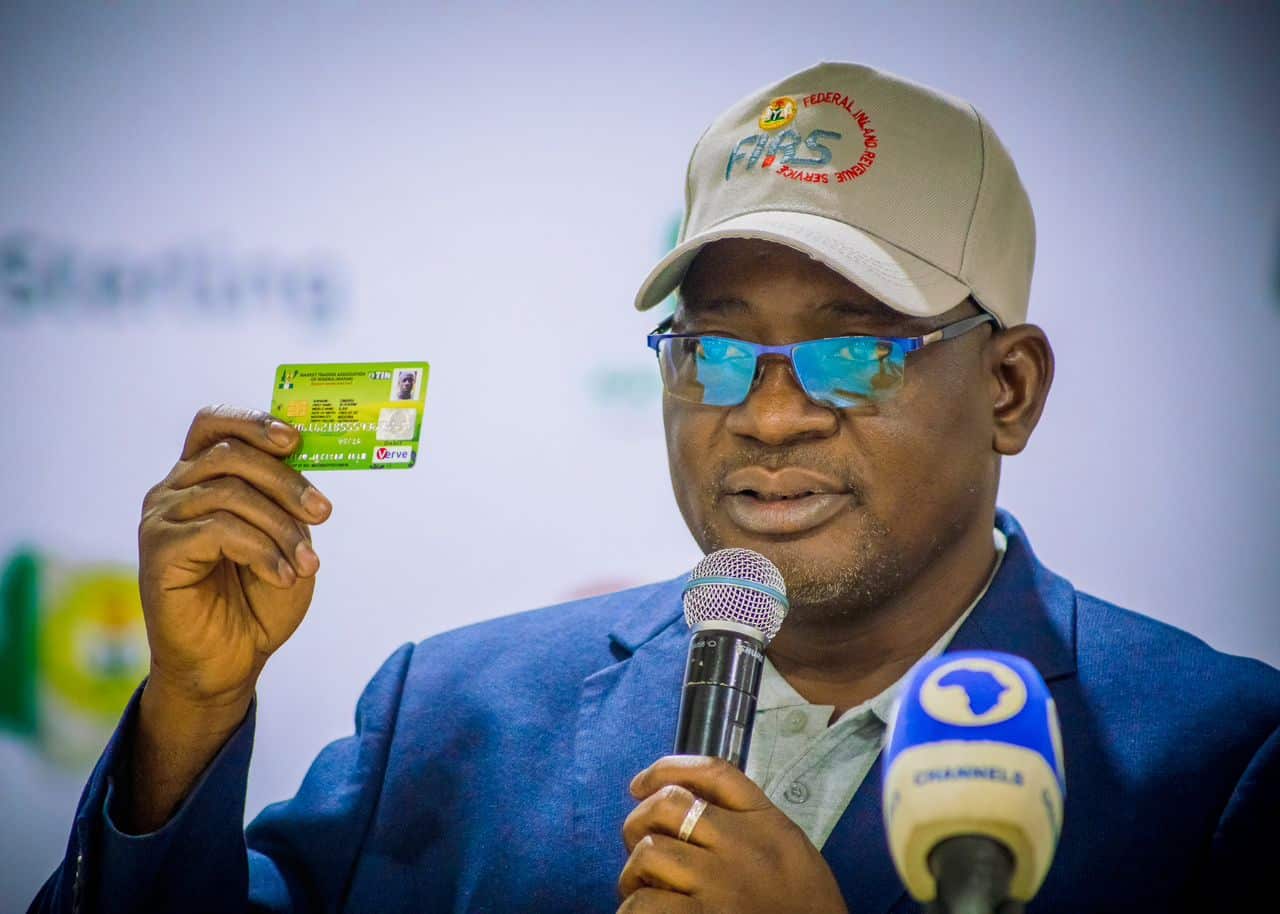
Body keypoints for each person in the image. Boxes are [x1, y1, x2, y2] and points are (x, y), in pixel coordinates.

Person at [29, 61, 1279, 914]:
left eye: (853, 351)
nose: (768, 414)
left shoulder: (1218, 761)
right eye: (714, 349)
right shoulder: (451, 713)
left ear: (1008, 386)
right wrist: (192, 711)